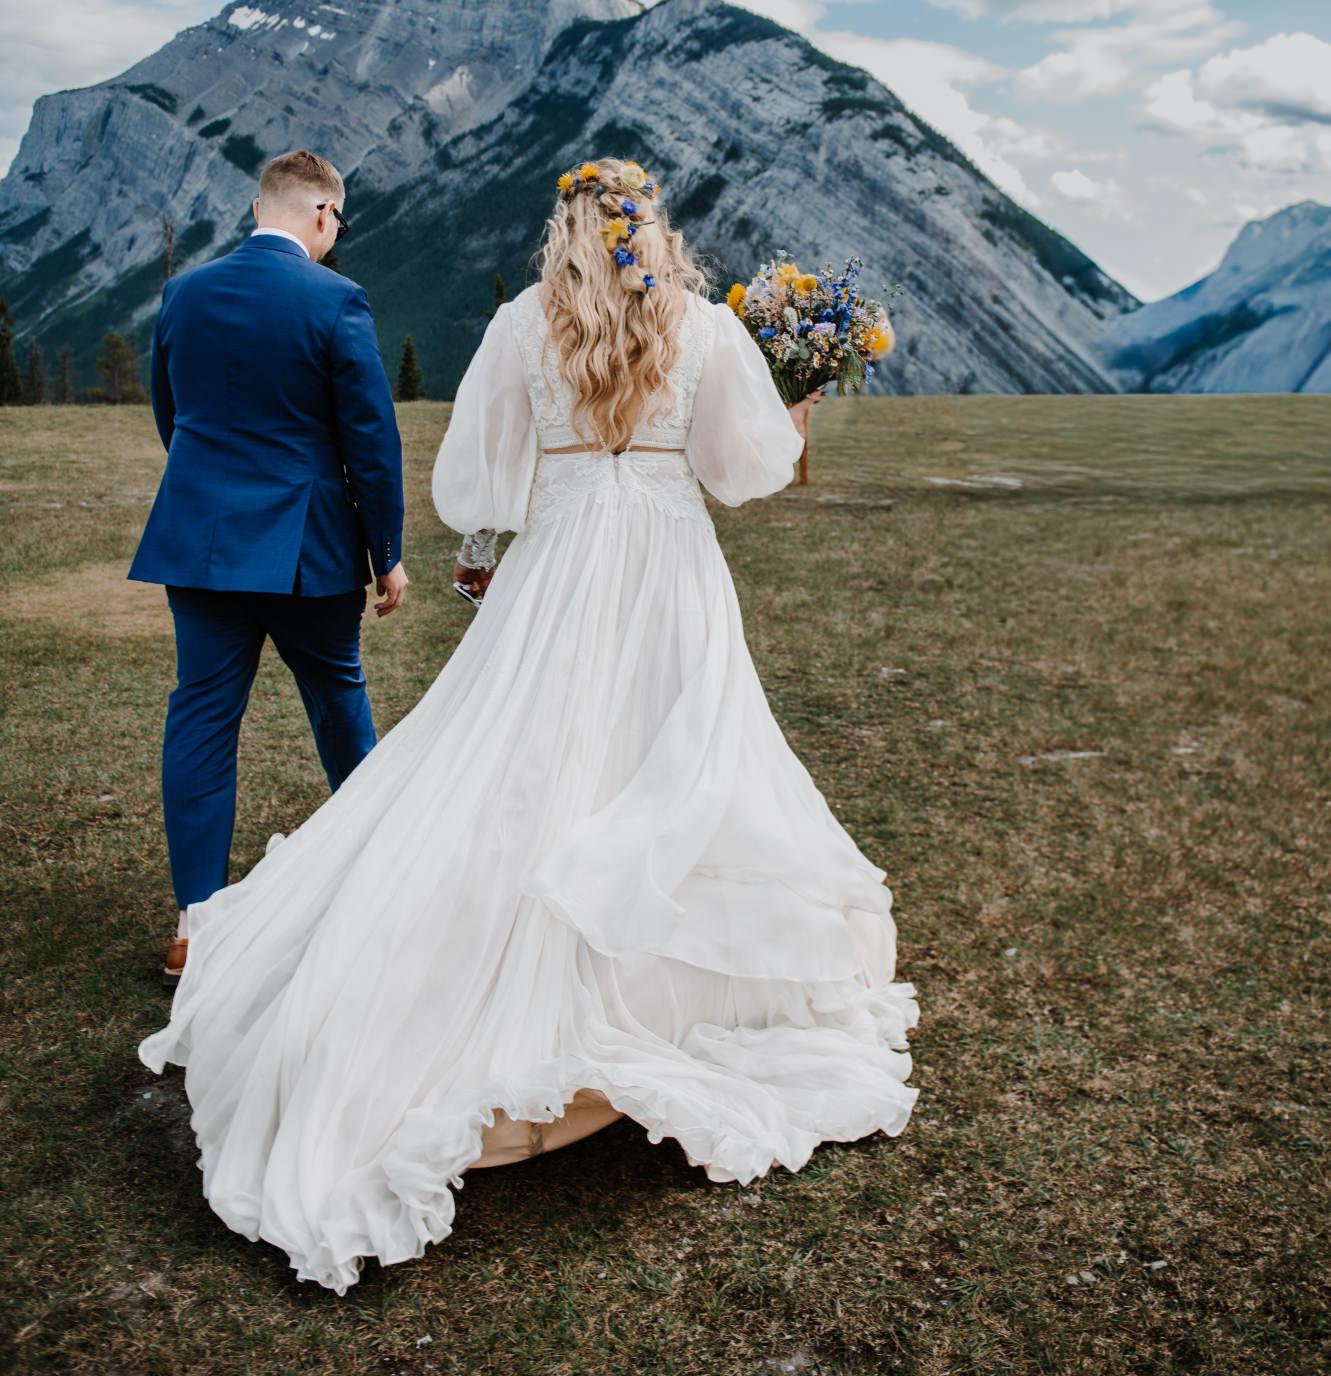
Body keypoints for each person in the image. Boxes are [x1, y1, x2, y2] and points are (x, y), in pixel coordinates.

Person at [139, 155, 917, 1294]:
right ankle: (665, 981)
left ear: (563, 230)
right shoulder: (700, 325)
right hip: (667, 572)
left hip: (554, 574)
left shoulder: (519, 322)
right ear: (651, 230)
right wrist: (790, 414)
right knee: (678, 753)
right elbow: (743, 470)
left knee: (513, 757)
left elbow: (475, 491)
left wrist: (541, 493)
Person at [128, 149, 407, 982]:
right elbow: (372, 445)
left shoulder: (184, 293)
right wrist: (385, 555)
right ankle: (377, 886)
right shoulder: (335, 299)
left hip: (202, 543)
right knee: (336, 700)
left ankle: (194, 925)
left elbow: (170, 415)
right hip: (306, 549)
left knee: (202, 717)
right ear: (323, 214)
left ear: (260, 207)